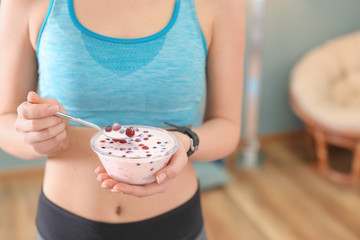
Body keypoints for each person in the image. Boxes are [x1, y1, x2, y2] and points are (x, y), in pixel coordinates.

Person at [0, 0, 245, 239]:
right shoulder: (24, 3)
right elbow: (5, 121)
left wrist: (184, 142)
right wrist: (34, 138)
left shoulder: (221, 4)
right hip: (66, 226)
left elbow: (227, 126)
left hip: (175, 225)